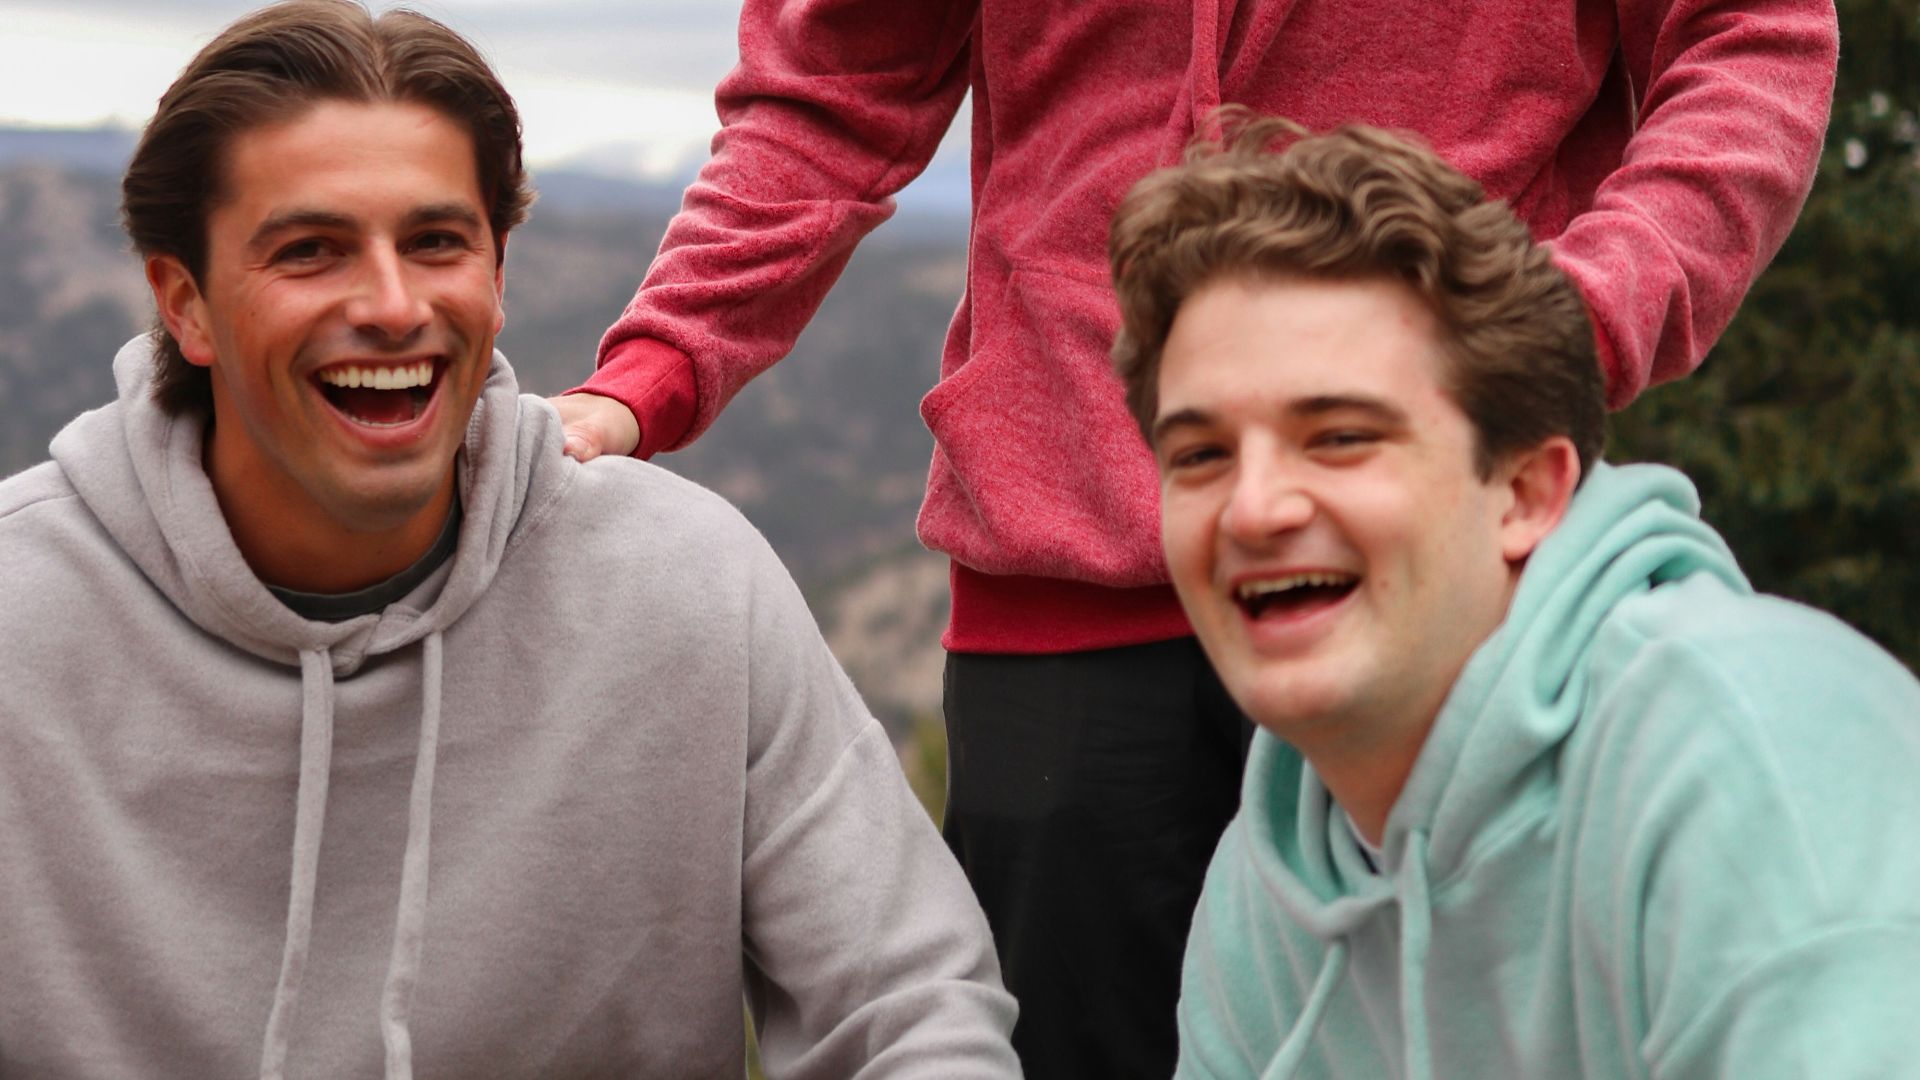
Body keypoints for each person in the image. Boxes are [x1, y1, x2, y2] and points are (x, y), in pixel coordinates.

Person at [550, 3, 1840, 1074]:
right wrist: (649, 372)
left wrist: (1576, 317)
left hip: (1437, 581)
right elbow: (833, 87)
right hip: (1055, 597)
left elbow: (1751, 42)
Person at [0, 3, 1020, 1077]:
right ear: (185, 305)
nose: (394, 306)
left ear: (498, 274)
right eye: (311, 250)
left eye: (438, 242)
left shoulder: (687, 588)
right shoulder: (23, 617)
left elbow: (912, 1004)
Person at [1107, 116, 1920, 1079]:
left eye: (1341, 437)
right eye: (1200, 455)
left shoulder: (1757, 756)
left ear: (1528, 494)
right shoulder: (1267, 889)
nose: (1252, 509)